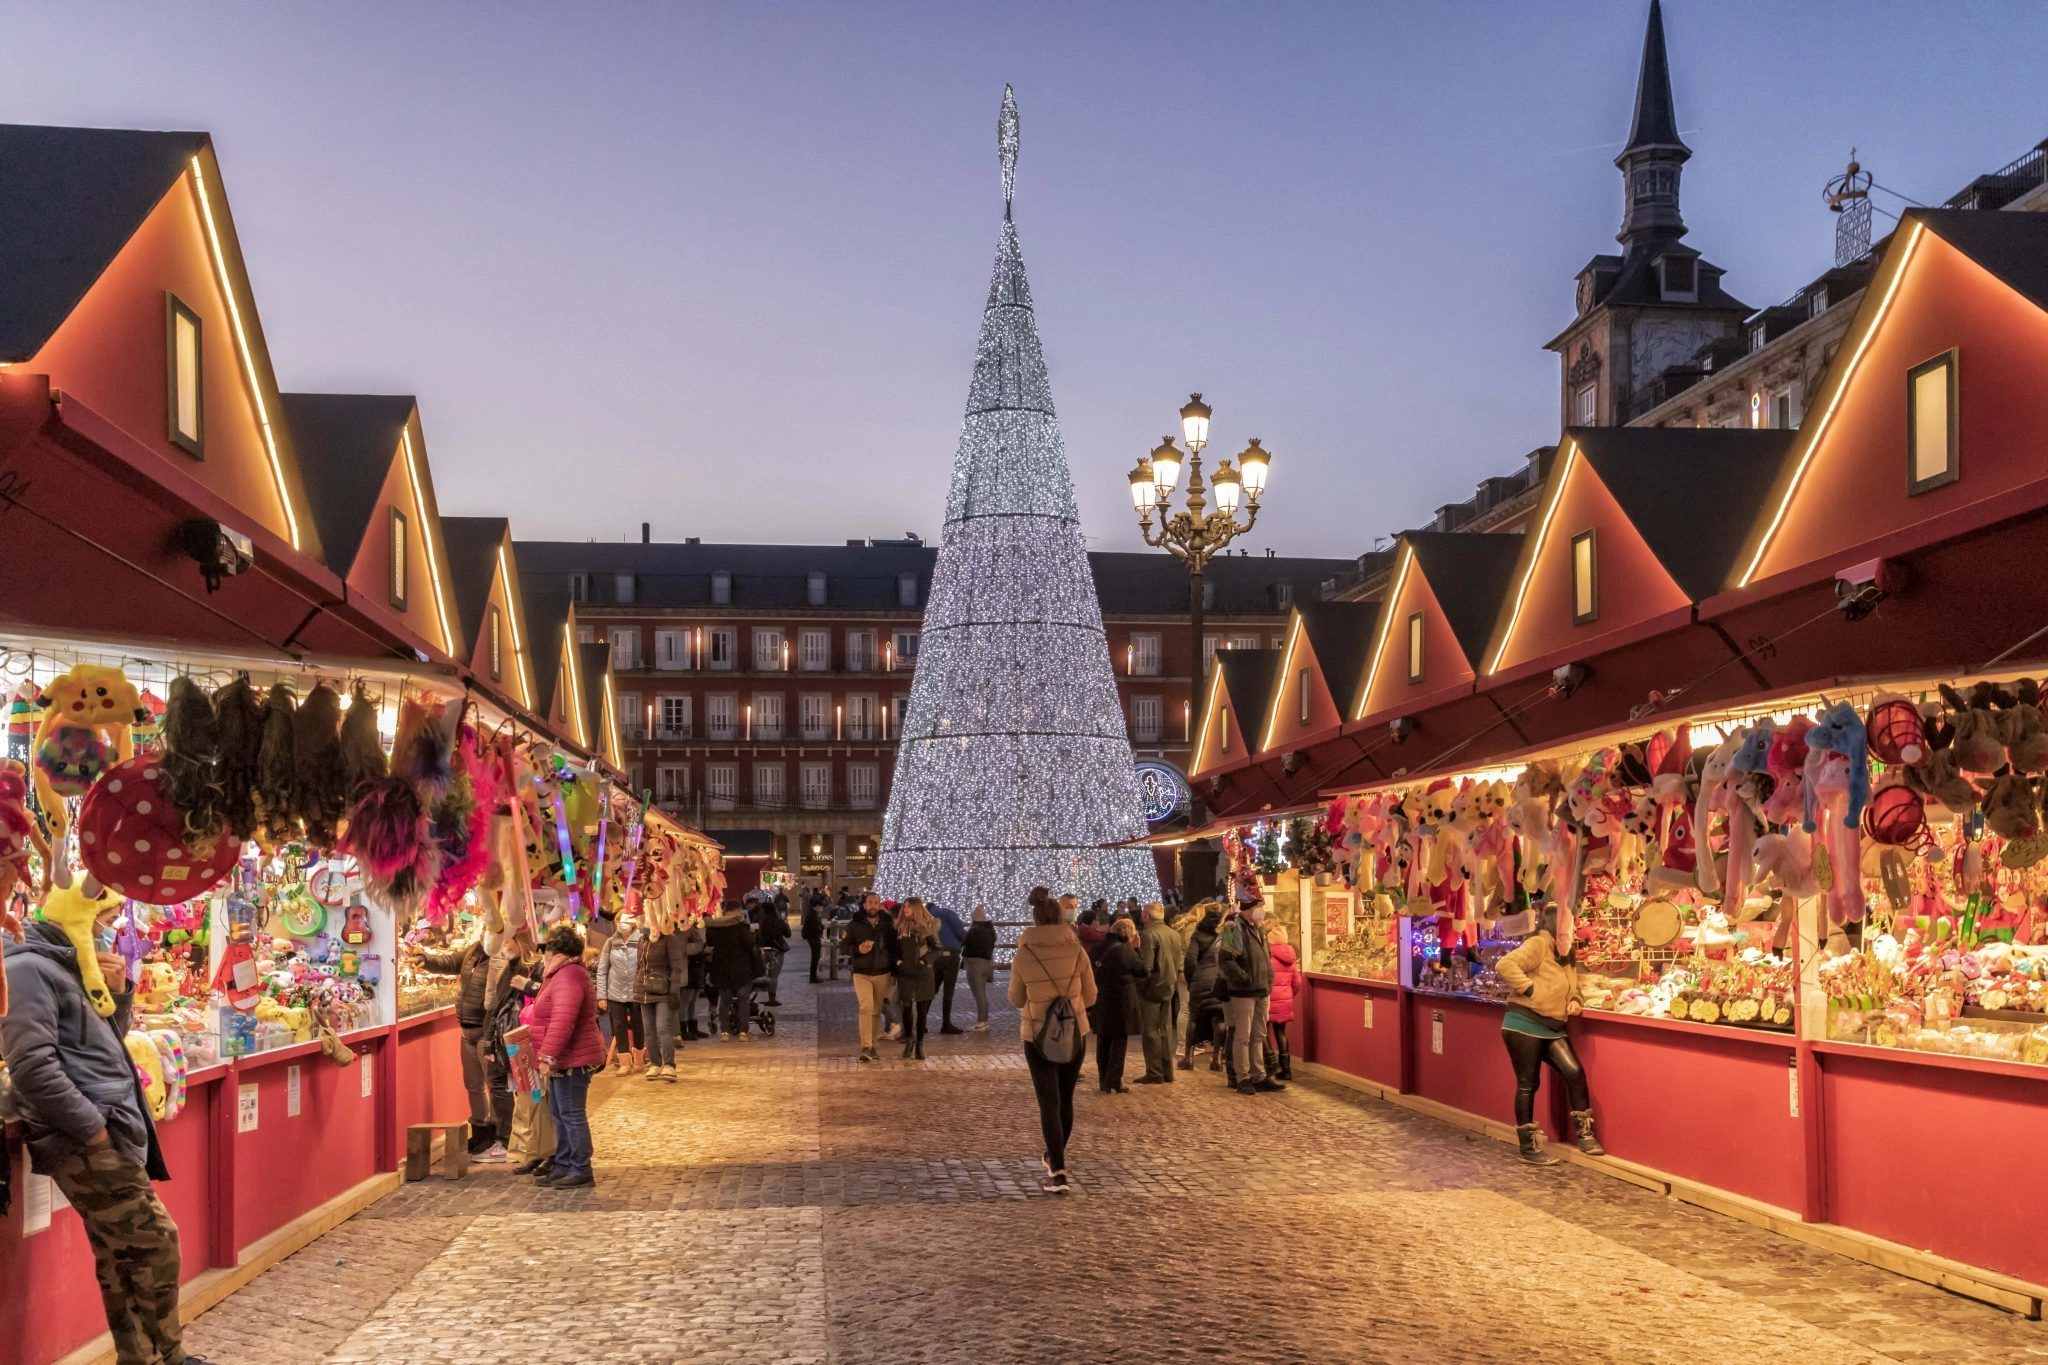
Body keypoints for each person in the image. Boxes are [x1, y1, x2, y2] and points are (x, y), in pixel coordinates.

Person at [0, 881, 219, 1365]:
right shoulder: (29, 969)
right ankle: (171, 1357)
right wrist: (91, 1128)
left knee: (122, 1256)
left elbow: (101, 1049)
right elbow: (32, 1066)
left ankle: (140, 1357)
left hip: (107, 1129)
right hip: (87, 1140)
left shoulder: (67, 966)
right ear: (76, 915)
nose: (110, 929)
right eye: (103, 919)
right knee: (155, 1242)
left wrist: (118, 995)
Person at [1495, 904, 1604, 1165]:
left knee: (1574, 1072)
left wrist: (1575, 999)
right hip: (1523, 1023)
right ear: (1558, 923)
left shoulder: (1566, 952)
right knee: (1528, 1083)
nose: (1574, 928)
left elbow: (1573, 985)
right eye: (1569, 923)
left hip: (1552, 1027)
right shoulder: (1539, 944)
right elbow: (1505, 964)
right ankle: (1528, 1147)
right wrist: (1532, 990)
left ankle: (1585, 1135)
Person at [1007, 886, 1096, 1193]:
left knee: (1048, 1103)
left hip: (1037, 1036)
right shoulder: (1077, 950)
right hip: (1074, 1032)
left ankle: (1057, 1169)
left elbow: (1016, 998)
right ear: (1061, 917)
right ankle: (1056, 1156)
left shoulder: (1024, 953)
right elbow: (1093, 995)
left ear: (1035, 919)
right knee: (1066, 1098)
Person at [415, 929, 514, 1158]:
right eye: (484, 929)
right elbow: (449, 962)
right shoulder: (472, 952)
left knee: (495, 1084)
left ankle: (500, 1135)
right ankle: (480, 1129)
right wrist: (425, 959)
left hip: (487, 1030)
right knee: (473, 1085)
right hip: (466, 1029)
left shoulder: (502, 958)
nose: (485, 934)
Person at [529, 924, 604, 1188]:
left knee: (571, 1114)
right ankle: (563, 1164)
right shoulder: (560, 973)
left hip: (573, 1058)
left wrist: (547, 1055)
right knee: (560, 1114)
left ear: (554, 950)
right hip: (565, 1057)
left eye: (546, 949)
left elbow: (563, 1019)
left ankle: (581, 1169)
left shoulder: (568, 975)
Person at [1218, 902, 1284, 1096]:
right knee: (1243, 1036)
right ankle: (1243, 1077)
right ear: (1248, 908)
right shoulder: (1233, 927)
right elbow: (1226, 959)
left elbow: (1266, 955)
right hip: (1244, 991)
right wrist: (1244, 978)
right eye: (1258, 905)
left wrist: (1268, 979)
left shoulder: (1259, 928)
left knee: (1259, 1035)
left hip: (1262, 989)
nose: (1261, 909)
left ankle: (1259, 1075)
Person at [844, 892, 899, 1063]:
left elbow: (894, 948)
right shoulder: (854, 924)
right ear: (865, 905)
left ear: (879, 904)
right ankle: (866, 1045)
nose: (873, 905)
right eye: (870, 902)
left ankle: (873, 1045)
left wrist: (894, 972)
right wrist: (857, 950)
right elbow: (844, 946)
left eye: (876, 902)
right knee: (866, 1007)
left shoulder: (887, 925)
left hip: (882, 972)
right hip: (862, 973)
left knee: (876, 1011)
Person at [1091, 919, 1143, 1094]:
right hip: (1122, 1001)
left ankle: (1102, 1079)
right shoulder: (1126, 950)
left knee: (1103, 1039)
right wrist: (1137, 948)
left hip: (1101, 998)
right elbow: (1143, 970)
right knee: (1119, 1041)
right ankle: (1114, 1080)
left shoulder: (1098, 948)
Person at [1134, 902, 1183, 1084]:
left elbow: (1146, 966)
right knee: (1166, 1030)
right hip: (1169, 985)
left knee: (1151, 1031)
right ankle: (1167, 1070)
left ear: (1147, 916)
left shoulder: (1148, 934)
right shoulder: (1173, 934)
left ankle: (1154, 1072)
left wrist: (1140, 986)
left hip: (1152, 987)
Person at [638, 916, 691, 1081]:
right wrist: (636, 991)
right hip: (644, 990)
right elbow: (639, 967)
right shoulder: (644, 940)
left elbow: (676, 967)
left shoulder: (670, 939)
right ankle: (655, 1063)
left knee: (663, 1028)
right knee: (649, 1030)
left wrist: (674, 991)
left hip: (663, 990)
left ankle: (669, 1065)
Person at [594, 913, 648, 1074]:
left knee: (638, 1024)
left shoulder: (641, 941)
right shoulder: (611, 943)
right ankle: (624, 1061)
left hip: (636, 991)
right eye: (619, 921)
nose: (622, 924)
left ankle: (639, 1059)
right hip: (615, 992)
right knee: (618, 1026)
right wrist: (602, 995)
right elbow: (602, 969)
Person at [704, 902, 763, 1040]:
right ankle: (743, 1032)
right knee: (743, 1000)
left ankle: (724, 1032)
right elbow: (750, 944)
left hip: (721, 968)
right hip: (741, 969)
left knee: (724, 1000)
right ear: (737, 911)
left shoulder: (715, 928)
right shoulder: (741, 927)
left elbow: (709, 943)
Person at [892, 898, 941, 1060]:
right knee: (906, 1008)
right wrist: (898, 962)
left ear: (916, 909)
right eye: (904, 906)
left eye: (909, 907)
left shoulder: (926, 928)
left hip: (922, 974)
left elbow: (937, 949)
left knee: (921, 1012)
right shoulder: (899, 928)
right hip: (905, 973)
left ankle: (919, 1044)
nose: (905, 909)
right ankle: (909, 1041)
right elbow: (895, 949)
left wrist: (924, 961)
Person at [1183, 904, 1225, 1072]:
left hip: (1201, 981)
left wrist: (1191, 979)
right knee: (1219, 1018)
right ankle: (1217, 1058)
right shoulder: (1224, 935)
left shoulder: (1197, 935)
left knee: (1194, 1017)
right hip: (1219, 980)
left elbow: (1190, 960)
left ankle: (1189, 1058)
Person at [1267, 922, 1305, 1082]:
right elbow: (1297, 982)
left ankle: (1270, 1065)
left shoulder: (1268, 955)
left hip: (1268, 1000)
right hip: (1285, 1001)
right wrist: (1289, 995)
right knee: (1281, 1033)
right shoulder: (1290, 957)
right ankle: (1286, 1069)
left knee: (1262, 1033)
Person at [929, 902, 967, 1033]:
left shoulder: (928, 916)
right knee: (948, 991)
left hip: (935, 955)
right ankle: (946, 1024)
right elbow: (961, 932)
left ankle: (921, 1023)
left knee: (931, 990)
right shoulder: (947, 913)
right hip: (951, 955)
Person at [962, 906, 998, 1031]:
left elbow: (965, 943)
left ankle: (982, 1021)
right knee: (982, 994)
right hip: (986, 964)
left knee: (979, 994)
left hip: (974, 965)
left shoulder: (974, 931)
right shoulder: (990, 930)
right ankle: (984, 1020)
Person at [751, 893, 791, 1005]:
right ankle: (772, 998)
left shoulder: (761, 922)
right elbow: (788, 934)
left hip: (764, 950)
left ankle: (759, 995)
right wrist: (785, 924)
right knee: (774, 975)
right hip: (777, 951)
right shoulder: (779, 921)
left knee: (764, 974)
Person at [802, 892, 826, 983]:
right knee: (815, 957)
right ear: (817, 906)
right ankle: (813, 977)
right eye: (821, 906)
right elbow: (816, 928)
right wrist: (822, 927)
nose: (822, 908)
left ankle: (813, 976)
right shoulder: (813, 915)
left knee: (815, 956)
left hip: (811, 937)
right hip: (813, 937)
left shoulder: (811, 913)